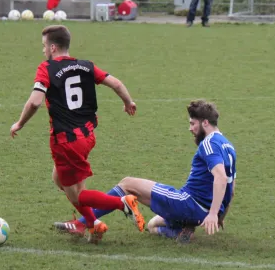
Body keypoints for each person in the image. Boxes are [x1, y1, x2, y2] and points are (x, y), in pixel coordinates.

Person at [10, 25, 145, 243]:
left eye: (44, 46)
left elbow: (35, 101)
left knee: (76, 194)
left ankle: (121, 204)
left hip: (65, 141)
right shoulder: (86, 66)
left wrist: (20, 123)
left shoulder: (47, 68)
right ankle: (93, 225)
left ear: (53, 47)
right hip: (88, 136)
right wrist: (128, 102)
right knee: (60, 178)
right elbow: (116, 83)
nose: (43, 50)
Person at [54, 99, 237, 243]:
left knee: (127, 184)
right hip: (199, 212)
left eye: (192, 124)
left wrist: (213, 214)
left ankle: (82, 223)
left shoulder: (209, 143)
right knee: (152, 225)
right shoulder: (228, 146)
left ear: (205, 123)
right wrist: (221, 214)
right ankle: (180, 230)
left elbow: (220, 178)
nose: (190, 129)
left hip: (189, 204)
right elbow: (231, 187)